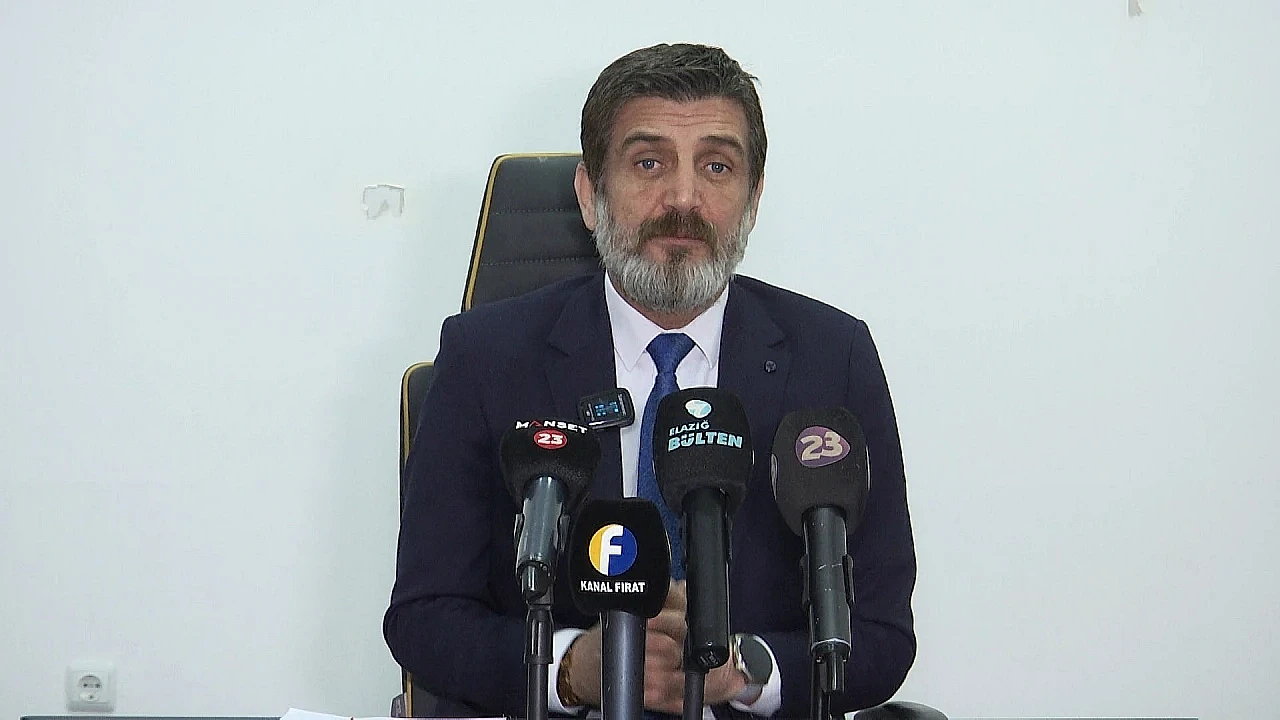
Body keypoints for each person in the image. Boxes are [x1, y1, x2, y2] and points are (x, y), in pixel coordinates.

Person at [384, 43, 916, 718]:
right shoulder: (487, 357)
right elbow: (424, 617)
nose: (684, 198)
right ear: (589, 194)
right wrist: (568, 667)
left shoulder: (832, 357)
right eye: (648, 163)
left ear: (753, 199)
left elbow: (880, 635)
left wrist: (747, 670)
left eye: (717, 167)